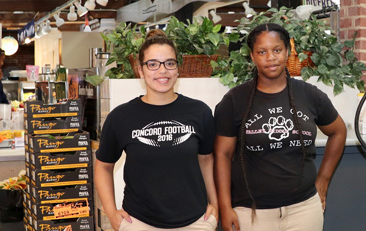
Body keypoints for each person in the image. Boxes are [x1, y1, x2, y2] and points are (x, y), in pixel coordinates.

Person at [214, 23, 347, 231]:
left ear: (287, 51)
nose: (270, 57)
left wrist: (323, 180)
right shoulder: (235, 100)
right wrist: (225, 206)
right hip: (251, 213)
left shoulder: (309, 95)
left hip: (304, 210)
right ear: (252, 56)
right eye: (262, 52)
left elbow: (338, 131)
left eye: (277, 50)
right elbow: (222, 155)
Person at [95, 29, 218, 231]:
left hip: (195, 222)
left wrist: (214, 205)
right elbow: (103, 167)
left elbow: (206, 161)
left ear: (178, 69)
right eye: (153, 64)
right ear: (141, 70)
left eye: (169, 63)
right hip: (140, 222)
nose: (162, 70)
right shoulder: (121, 117)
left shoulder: (199, 112)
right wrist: (111, 212)